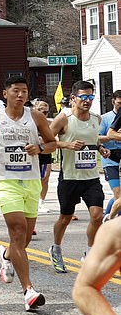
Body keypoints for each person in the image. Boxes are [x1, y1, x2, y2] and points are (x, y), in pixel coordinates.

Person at [0, 76, 57, 311]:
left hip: (30, 181)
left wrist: (40, 147)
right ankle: (29, 291)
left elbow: (52, 143)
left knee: (24, 240)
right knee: (19, 230)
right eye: (16, 91)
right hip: (6, 180)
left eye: (24, 91)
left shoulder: (36, 117)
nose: (20, 95)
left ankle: (6, 256)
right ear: (5, 94)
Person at [47, 80, 105, 272]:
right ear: (73, 98)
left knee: (97, 216)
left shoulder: (96, 119)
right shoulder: (64, 118)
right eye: (83, 97)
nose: (87, 101)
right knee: (65, 217)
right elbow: (45, 142)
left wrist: (101, 148)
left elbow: (94, 140)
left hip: (91, 177)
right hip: (70, 177)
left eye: (90, 97)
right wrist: (66, 145)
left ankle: (89, 252)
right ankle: (55, 248)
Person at [99, 90, 121, 221]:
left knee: (119, 197)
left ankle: (107, 216)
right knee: (117, 194)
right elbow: (97, 137)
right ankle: (113, 221)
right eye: (119, 103)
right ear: (113, 101)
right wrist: (110, 137)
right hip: (110, 159)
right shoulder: (105, 118)